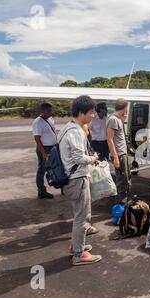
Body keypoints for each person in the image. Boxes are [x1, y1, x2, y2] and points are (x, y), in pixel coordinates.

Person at [58, 95, 102, 266]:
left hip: (70, 179)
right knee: (81, 218)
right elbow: (78, 158)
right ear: (82, 113)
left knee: (79, 215)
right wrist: (93, 158)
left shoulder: (67, 128)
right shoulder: (76, 131)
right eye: (91, 112)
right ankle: (78, 254)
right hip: (77, 179)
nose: (93, 116)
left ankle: (76, 246)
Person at [107, 98, 131, 203]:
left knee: (126, 179)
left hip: (122, 153)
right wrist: (115, 157)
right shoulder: (113, 119)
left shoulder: (117, 119)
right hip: (119, 154)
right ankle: (120, 207)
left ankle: (125, 204)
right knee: (122, 182)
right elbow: (109, 139)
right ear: (125, 108)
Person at [32, 102, 57, 199]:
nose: (51, 112)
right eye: (49, 111)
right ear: (42, 111)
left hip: (52, 147)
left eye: (51, 110)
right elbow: (37, 138)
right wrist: (43, 152)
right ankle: (41, 191)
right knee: (41, 170)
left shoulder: (50, 119)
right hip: (44, 148)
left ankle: (61, 185)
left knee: (56, 167)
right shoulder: (38, 122)